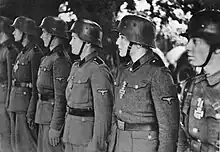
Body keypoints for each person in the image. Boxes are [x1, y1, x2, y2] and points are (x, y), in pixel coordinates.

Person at [108, 15, 180, 152]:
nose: (117, 42)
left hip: (143, 146)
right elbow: (116, 113)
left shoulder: (158, 74)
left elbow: (169, 128)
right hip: (119, 142)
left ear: (138, 42)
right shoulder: (124, 70)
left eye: (122, 38)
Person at [63, 19, 114, 152]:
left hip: (87, 141)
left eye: (74, 38)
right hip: (70, 136)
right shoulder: (76, 66)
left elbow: (103, 115)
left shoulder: (99, 70)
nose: (70, 42)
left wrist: (97, 145)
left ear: (86, 42)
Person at [177, 10, 220, 152]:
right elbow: (182, 135)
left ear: (217, 48)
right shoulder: (191, 86)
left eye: (195, 41)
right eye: (189, 40)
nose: (187, 47)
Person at [29, 16, 71, 152]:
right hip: (43, 115)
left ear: (53, 35)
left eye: (44, 32)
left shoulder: (60, 60)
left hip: (51, 118)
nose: (41, 36)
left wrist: (56, 126)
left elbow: (61, 97)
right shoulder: (48, 58)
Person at [7, 16, 43, 152]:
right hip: (16, 103)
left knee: (27, 145)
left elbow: (35, 87)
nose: (13, 33)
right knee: (16, 145)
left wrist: (31, 110)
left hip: (25, 104)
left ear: (24, 32)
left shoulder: (34, 54)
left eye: (16, 30)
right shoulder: (22, 53)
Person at [0, 16, 19, 152]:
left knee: (6, 132)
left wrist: (8, 102)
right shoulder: (3, 49)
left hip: (5, 94)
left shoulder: (10, 50)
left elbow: (11, 77)